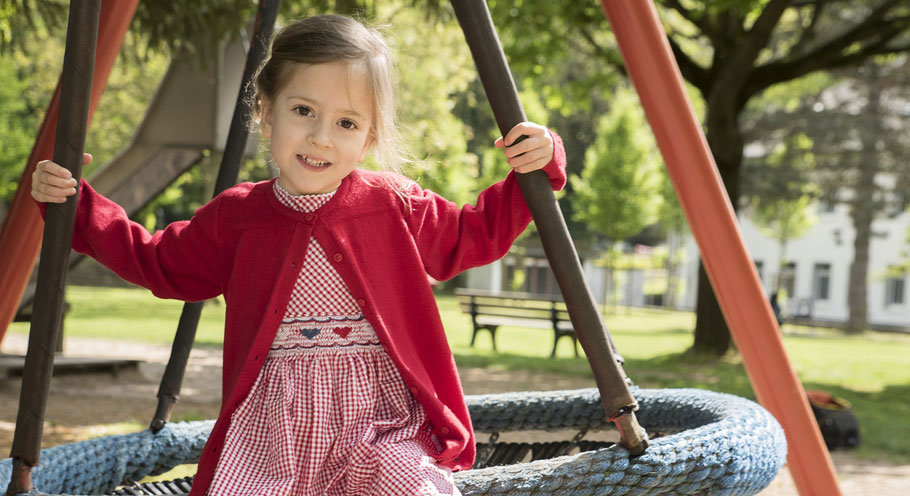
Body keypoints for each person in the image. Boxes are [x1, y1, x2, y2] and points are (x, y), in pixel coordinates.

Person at [32, 14, 566, 496]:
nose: (320, 137)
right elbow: (158, 263)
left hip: (380, 424)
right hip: (272, 429)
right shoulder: (237, 216)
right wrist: (77, 208)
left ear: (369, 137)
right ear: (265, 112)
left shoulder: (392, 203)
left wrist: (533, 168)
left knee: (413, 486)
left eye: (347, 123)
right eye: (303, 110)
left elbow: (471, 236)